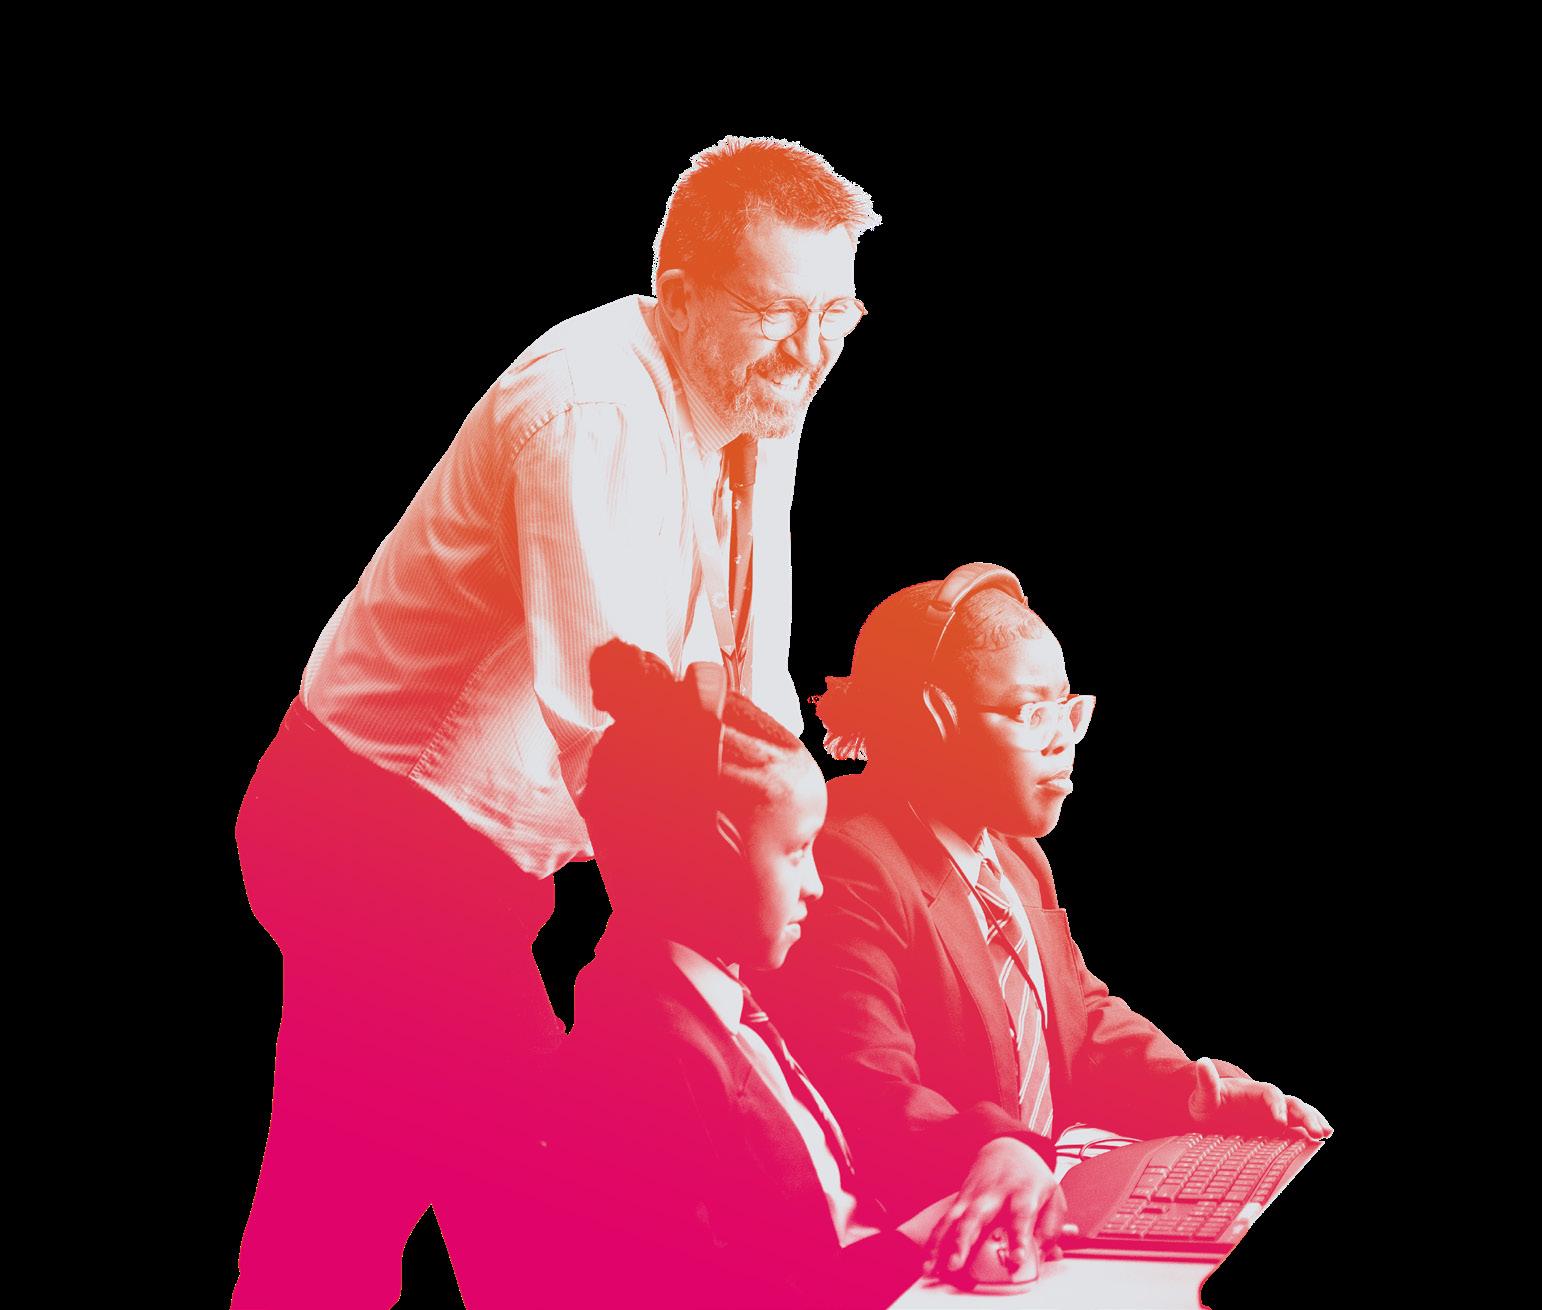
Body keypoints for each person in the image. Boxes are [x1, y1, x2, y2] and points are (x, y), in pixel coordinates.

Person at [230, 135, 880, 1308]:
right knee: (549, 1207)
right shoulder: (596, 412)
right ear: (681, 294)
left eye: (833, 313)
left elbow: (747, 678)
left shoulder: (755, 392)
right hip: (378, 829)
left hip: (450, 849)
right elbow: (629, 744)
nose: (809, 348)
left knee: (336, 1201)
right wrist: (728, 967)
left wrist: (804, 855)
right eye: (777, 312)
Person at [755, 563, 1333, 1286]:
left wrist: (1198, 1093)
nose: (1064, 740)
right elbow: (862, 1083)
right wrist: (998, 1147)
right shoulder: (849, 857)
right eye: (1032, 713)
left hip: (1039, 1208)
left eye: (1069, 710)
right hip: (931, 1243)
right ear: (935, 720)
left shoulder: (1015, 857)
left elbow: (1078, 1017)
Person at [534, 640, 938, 1307]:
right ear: (711, 854)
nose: (817, 886)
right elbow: (723, 1289)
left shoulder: (722, 1000)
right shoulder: (648, 1051)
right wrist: (919, 1245)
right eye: (797, 852)